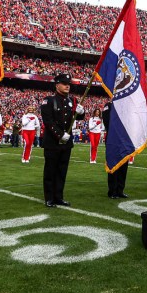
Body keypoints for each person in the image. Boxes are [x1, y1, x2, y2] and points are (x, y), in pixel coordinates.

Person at [40, 73, 85, 207]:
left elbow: (78, 118)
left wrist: (82, 112)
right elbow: (48, 121)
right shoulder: (48, 100)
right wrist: (60, 135)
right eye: (64, 83)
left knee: (62, 171)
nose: (67, 86)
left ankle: (59, 196)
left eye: (68, 84)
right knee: (50, 170)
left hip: (66, 144)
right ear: (57, 85)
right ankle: (49, 198)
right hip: (53, 142)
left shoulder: (72, 101)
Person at [104, 99, 129, 199]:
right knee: (113, 164)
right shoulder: (109, 105)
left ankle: (120, 190)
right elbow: (107, 122)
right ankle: (112, 190)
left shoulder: (126, 107)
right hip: (113, 139)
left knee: (124, 166)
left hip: (125, 139)